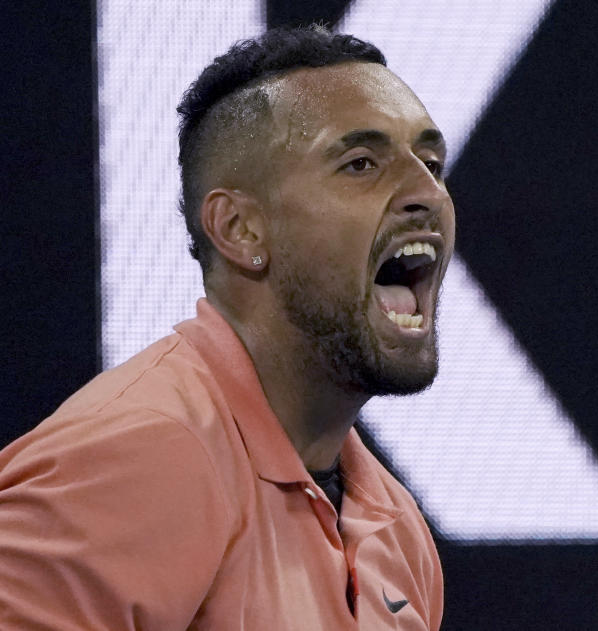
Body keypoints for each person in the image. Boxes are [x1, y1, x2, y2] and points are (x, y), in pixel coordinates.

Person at [0, 24, 453, 630]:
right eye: (361, 163)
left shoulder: (395, 529)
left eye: (431, 163)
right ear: (240, 230)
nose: (426, 192)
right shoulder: (140, 454)